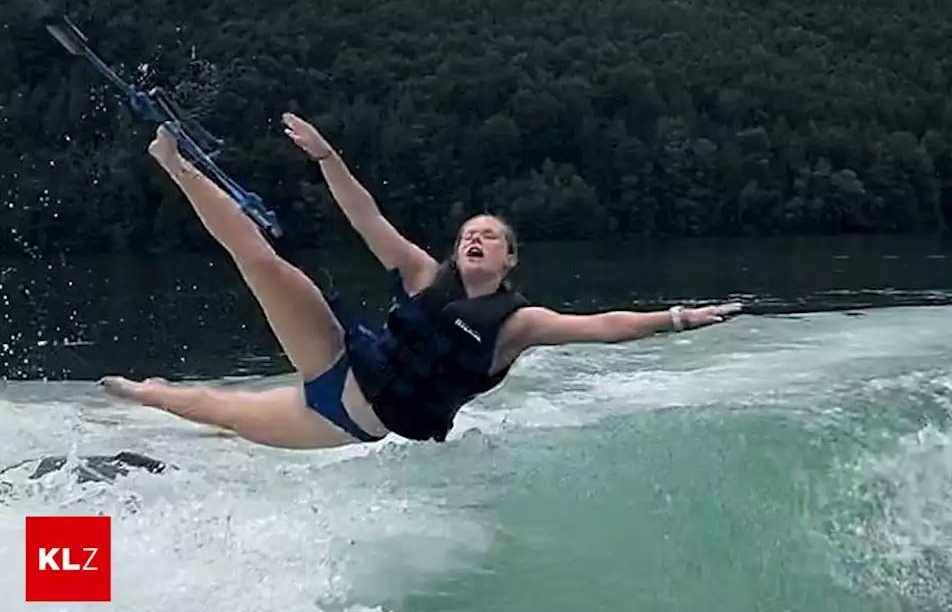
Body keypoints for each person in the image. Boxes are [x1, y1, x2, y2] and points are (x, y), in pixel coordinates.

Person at [100, 114, 742, 449]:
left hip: (342, 423)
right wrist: (327, 156)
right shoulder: (420, 272)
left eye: (489, 236)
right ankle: (176, 164)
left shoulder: (519, 324)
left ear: (508, 260)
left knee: (215, 413)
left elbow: (604, 328)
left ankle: (152, 391)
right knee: (265, 263)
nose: (475, 238)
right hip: (339, 361)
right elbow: (365, 216)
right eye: (469, 231)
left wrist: (679, 318)